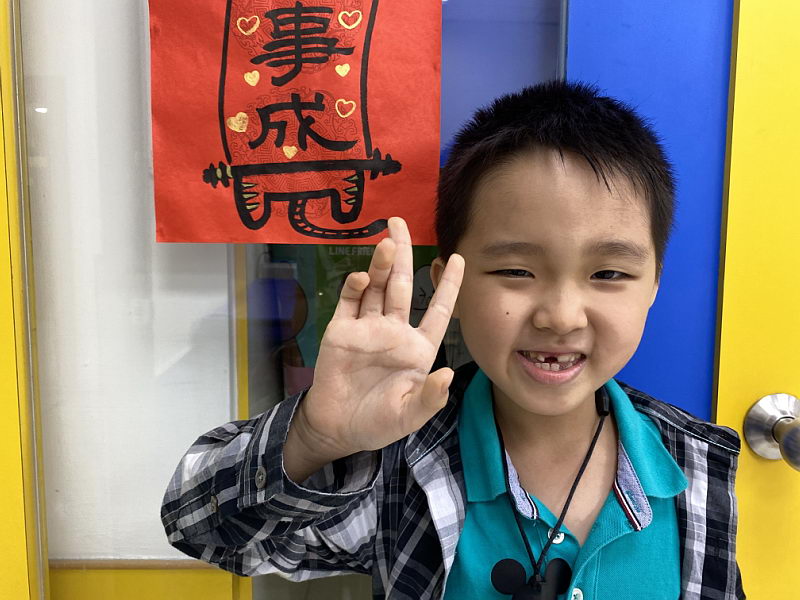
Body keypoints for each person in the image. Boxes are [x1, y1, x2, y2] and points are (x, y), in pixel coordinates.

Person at [161, 81, 744, 600]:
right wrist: (315, 435)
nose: (561, 316)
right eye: (516, 270)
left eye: (609, 273)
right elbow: (201, 529)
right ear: (450, 285)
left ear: (653, 286)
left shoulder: (696, 464)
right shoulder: (400, 461)